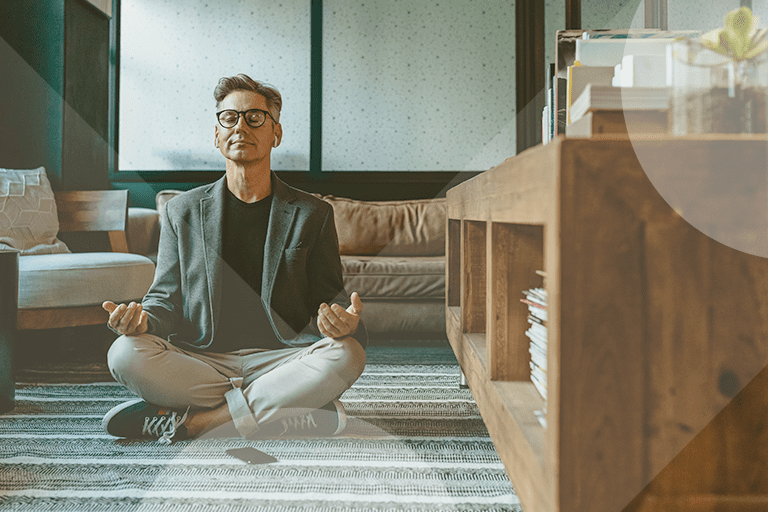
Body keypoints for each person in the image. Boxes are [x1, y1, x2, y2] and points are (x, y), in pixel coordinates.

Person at [100, 74, 367, 444]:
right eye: (229, 118)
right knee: (124, 353)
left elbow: (330, 298)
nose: (241, 126)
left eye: (255, 117)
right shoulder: (182, 211)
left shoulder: (312, 213)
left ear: (276, 133)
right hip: (202, 362)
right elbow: (164, 298)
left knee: (348, 354)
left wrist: (342, 323)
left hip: (282, 361)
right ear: (216, 134)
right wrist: (142, 321)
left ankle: (197, 423)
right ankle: (286, 411)